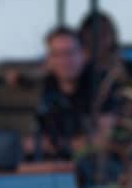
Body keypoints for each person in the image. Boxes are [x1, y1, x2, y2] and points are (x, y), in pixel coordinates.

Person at [31, 26, 116, 160]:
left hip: (95, 169)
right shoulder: (47, 87)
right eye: (57, 54)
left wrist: (57, 145)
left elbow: (102, 141)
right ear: (49, 60)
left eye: (70, 53)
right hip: (51, 168)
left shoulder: (102, 85)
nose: (64, 61)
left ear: (84, 54)